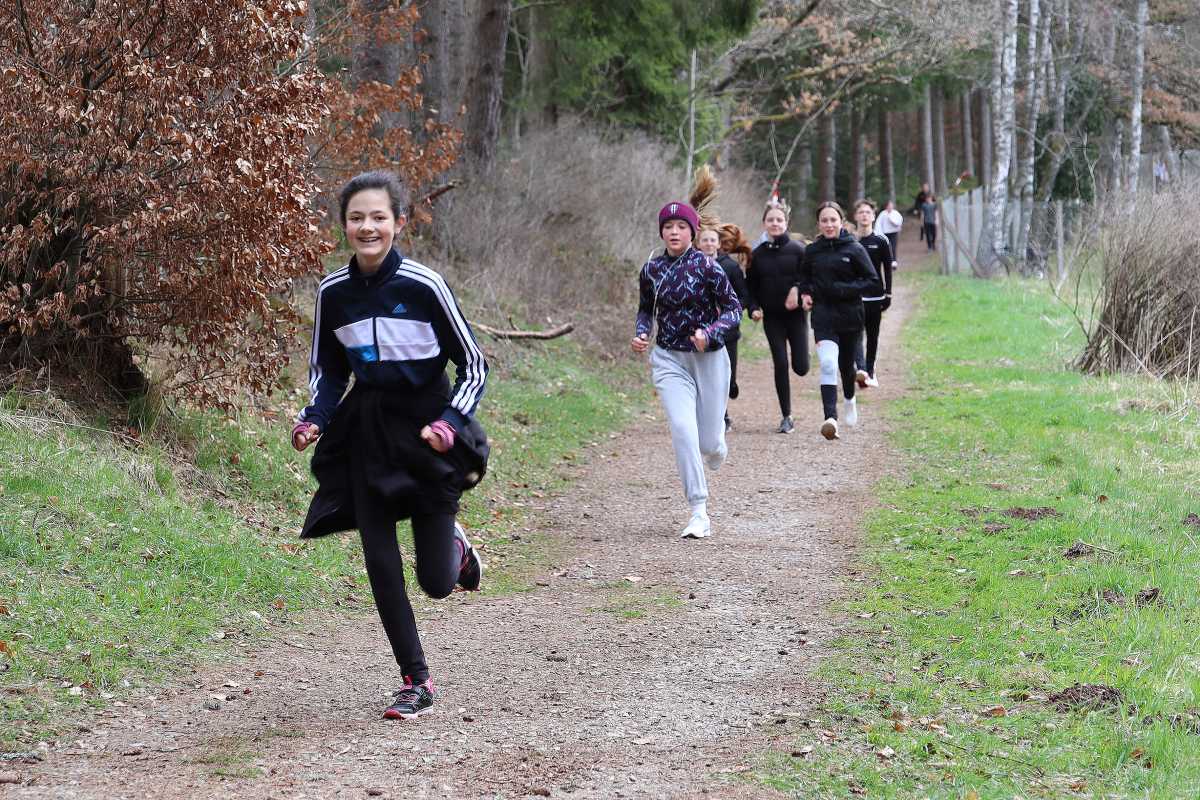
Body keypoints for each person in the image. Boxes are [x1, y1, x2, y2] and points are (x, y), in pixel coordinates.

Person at [292, 170, 489, 720]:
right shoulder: (333, 292)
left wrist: (450, 421)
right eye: (356, 218)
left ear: (398, 222)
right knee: (380, 560)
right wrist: (315, 417)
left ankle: (455, 549)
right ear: (344, 225)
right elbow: (329, 369)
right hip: (369, 431)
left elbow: (473, 363)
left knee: (435, 583)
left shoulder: (425, 286)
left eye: (378, 217)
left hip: (430, 434)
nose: (367, 227)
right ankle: (415, 680)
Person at [633, 201, 741, 539]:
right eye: (668, 227)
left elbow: (733, 309)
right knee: (682, 428)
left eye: (681, 226)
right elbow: (645, 310)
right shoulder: (651, 269)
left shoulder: (708, 267)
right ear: (661, 232)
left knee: (708, 443)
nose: (674, 232)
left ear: (692, 232)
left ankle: (717, 444)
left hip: (708, 359)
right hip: (669, 359)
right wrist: (641, 333)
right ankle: (699, 511)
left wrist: (710, 333)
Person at [796, 202, 883, 440]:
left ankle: (849, 399)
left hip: (850, 315)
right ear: (818, 224)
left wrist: (844, 289)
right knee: (827, 364)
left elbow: (872, 280)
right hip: (823, 315)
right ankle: (830, 419)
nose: (829, 224)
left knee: (846, 367)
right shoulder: (813, 251)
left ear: (841, 222)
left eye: (833, 220)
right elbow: (804, 278)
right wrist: (805, 294)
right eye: (824, 220)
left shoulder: (854, 248)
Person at [748, 200, 808, 434]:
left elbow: (809, 278)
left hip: (796, 316)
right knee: (780, 363)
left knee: (801, 368)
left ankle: (802, 356)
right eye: (770, 220)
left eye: (779, 220)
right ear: (764, 223)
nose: (775, 223)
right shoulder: (756, 255)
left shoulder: (798, 250)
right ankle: (786, 416)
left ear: (786, 222)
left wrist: (797, 289)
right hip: (772, 318)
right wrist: (753, 307)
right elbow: (750, 287)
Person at [696, 227, 751, 432]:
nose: (709, 244)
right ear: (698, 244)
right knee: (711, 376)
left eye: (713, 240)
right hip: (703, 332)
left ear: (719, 244)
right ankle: (722, 416)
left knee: (728, 376)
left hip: (728, 332)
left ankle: (732, 384)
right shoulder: (691, 266)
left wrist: (729, 312)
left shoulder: (731, 267)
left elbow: (743, 297)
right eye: (705, 240)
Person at [851, 200, 895, 389]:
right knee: (855, 334)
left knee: (873, 335)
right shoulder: (850, 241)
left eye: (868, 212)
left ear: (874, 216)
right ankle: (861, 370)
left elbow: (888, 269)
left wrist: (888, 294)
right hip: (855, 296)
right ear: (855, 216)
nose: (864, 215)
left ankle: (870, 369)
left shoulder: (881, 240)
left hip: (876, 296)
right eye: (861, 212)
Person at [874, 200, 904, 265]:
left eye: (891, 205)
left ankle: (894, 261)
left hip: (894, 233)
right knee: (886, 247)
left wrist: (893, 221)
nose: (890, 207)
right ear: (886, 206)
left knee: (893, 246)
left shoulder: (895, 213)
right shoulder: (883, 214)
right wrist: (878, 232)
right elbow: (878, 223)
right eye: (889, 205)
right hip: (885, 233)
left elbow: (899, 221)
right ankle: (887, 260)